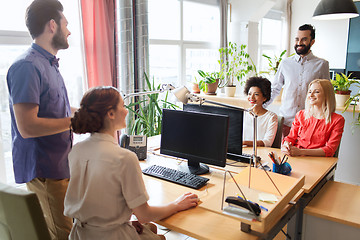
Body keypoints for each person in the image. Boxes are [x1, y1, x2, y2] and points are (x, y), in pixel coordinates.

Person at [64, 86, 199, 240]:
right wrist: (176, 205)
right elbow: (144, 215)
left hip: (81, 234)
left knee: (151, 229)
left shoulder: (76, 150)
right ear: (111, 113)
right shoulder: (124, 158)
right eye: (122, 105)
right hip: (112, 236)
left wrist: (122, 222)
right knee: (159, 236)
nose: (126, 110)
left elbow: (97, 200)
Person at [6, 0, 74, 239]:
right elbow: (27, 126)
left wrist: (84, 112)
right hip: (46, 170)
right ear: (52, 25)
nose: (69, 30)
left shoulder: (49, 65)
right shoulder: (27, 66)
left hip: (60, 165)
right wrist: (73, 122)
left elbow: (55, 110)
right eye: (66, 24)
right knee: (62, 235)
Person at [268, 24, 330, 139]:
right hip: (286, 121)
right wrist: (261, 106)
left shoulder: (322, 65)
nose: (299, 42)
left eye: (304, 39)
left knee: (304, 155)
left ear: (312, 42)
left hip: (309, 122)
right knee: (284, 154)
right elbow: (275, 89)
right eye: (297, 39)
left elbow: (326, 94)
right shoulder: (285, 63)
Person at [281, 79, 345, 157]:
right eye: (310, 92)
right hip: (297, 157)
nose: (311, 95)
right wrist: (286, 145)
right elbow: (291, 137)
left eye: (316, 92)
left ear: (327, 95)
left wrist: (301, 152)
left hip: (319, 161)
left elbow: (329, 150)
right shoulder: (300, 114)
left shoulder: (337, 120)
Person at [243, 76, 278, 147]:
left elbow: (267, 142)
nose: (251, 97)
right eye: (249, 94)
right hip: (242, 152)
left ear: (264, 98)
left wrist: (244, 143)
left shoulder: (271, 117)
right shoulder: (243, 113)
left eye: (256, 94)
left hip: (260, 153)